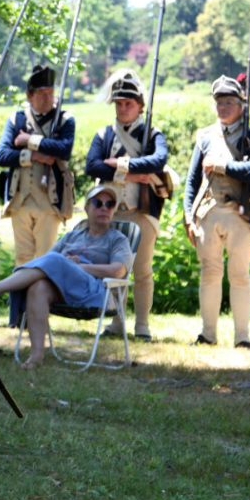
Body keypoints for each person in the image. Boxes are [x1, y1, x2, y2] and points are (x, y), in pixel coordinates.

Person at [0, 185, 131, 369]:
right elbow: (45, 263)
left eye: (109, 204)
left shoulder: (117, 239)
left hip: (95, 292)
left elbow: (118, 270)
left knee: (56, 259)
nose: (104, 208)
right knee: (39, 286)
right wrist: (66, 264)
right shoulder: (72, 236)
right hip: (66, 288)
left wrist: (79, 266)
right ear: (86, 208)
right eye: (98, 203)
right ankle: (36, 356)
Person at [85, 68, 169, 342]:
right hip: (111, 213)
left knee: (142, 270)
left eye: (128, 104)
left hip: (142, 211)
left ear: (140, 106)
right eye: (119, 104)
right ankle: (116, 323)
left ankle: (142, 325)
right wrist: (130, 173)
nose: (123, 109)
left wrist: (117, 165)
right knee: (116, 270)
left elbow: (157, 161)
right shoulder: (104, 134)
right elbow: (92, 165)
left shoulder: (152, 133)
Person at [183, 75, 250, 349]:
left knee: (240, 275)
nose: (223, 107)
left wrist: (221, 167)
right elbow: (192, 180)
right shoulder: (205, 136)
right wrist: (188, 216)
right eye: (219, 102)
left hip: (242, 214)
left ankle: (242, 338)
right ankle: (208, 335)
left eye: (229, 102)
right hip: (208, 212)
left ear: (242, 105)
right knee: (209, 273)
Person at [0, 65, 75, 268]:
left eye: (50, 93)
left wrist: (29, 139)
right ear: (29, 96)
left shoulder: (64, 120)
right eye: (41, 94)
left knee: (45, 257)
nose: (47, 98)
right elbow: (3, 155)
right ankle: (21, 300)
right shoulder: (17, 119)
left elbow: (64, 149)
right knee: (22, 257)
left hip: (50, 200)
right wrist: (33, 156)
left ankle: (40, 300)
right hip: (20, 199)